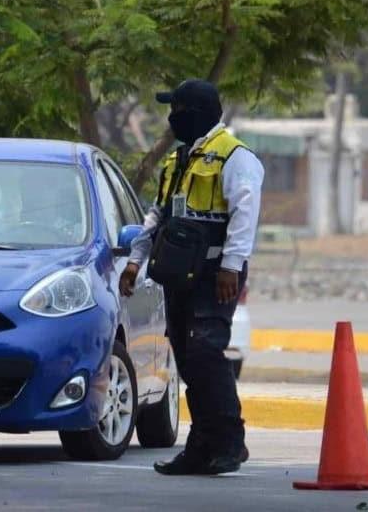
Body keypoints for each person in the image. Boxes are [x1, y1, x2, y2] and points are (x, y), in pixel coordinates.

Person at [119, 79, 264, 475]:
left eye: (177, 111)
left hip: (216, 273)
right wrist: (135, 260)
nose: (171, 119)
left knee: (205, 353)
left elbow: (244, 216)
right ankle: (202, 446)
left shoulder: (234, 157)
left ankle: (230, 443)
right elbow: (157, 214)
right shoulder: (178, 160)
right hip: (179, 274)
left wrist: (231, 266)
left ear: (195, 113)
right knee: (187, 358)